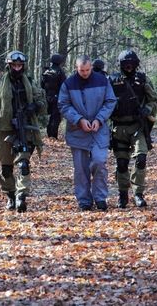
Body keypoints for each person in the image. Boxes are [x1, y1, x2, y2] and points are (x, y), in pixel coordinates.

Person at [0, 50, 46, 213]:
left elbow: (42, 102)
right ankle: (10, 195)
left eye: (20, 65)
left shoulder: (30, 83)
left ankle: (21, 197)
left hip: (25, 129)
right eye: (14, 65)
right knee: (6, 168)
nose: (17, 68)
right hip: (4, 130)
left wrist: (35, 106)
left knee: (23, 164)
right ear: (9, 66)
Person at [58, 55, 116, 211]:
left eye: (87, 70)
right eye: (81, 70)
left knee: (99, 162)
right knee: (81, 168)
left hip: (99, 130)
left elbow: (110, 101)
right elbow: (63, 105)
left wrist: (99, 119)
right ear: (76, 68)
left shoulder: (103, 81)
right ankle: (84, 200)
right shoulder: (68, 84)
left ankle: (100, 198)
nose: (84, 73)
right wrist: (78, 120)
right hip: (77, 131)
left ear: (91, 67)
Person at [109, 49, 157, 208]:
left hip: (138, 126)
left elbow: (155, 100)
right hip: (118, 127)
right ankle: (123, 194)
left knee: (141, 159)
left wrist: (148, 109)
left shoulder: (143, 79)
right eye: (126, 64)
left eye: (132, 64)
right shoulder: (111, 80)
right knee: (122, 163)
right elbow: (102, 102)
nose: (129, 67)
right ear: (120, 64)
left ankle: (138, 194)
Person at [41, 54, 67, 139]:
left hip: (47, 97)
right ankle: (53, 136)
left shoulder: (46, 71)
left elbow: (42, 85)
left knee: (49, 116)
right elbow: (64, 86)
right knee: (55, 117)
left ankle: (49, 134)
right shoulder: (60, 72)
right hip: (57, 97)